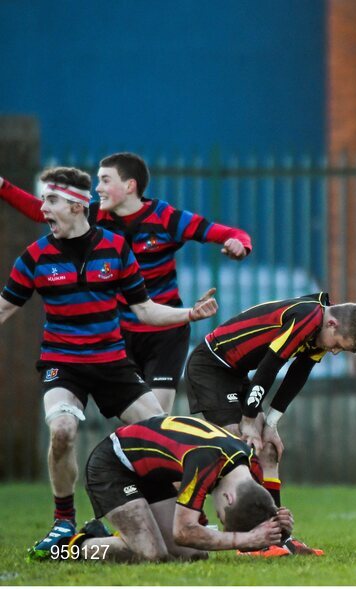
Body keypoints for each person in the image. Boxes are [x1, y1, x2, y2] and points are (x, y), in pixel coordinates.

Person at [0, 167, 219, 560]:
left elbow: (147, 311)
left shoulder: (117, 249)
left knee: (161, 432)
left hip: (112, 363)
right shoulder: (34, 257)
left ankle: (181, 519)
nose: (43, 209)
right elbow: (4, 308)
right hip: (62, 363)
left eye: (50, 201)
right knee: (63, 429)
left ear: (76, 205)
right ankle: (64, 522)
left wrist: (189, 314)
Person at [0, 152, 252, 415]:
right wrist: (3, 187)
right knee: (133, 426)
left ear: (130, 186)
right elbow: (42, 212)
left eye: (105, 181)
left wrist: (240, 245)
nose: (97, 188)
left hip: (164, 334)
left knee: (156, 421)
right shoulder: (94, 216)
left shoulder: (167, 219)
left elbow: (229, 233)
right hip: (121, 333)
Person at [184, 292, 356, 556]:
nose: (333, 351)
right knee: (236, 449)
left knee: (269, 450)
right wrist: (250, 420)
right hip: (211, 367)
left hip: (237, 374)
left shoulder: (322, 330)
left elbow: (298, 374)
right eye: (338, 345)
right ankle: (249, 541)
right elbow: (271, 365)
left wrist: (271, 422)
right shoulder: (309, 317)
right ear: (332, 324)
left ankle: (278, 537)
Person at [47, 415, 290, 562]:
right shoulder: (205, 462)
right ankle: (68, 548)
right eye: (220, 514)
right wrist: (243, 539)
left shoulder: (249, 466)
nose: (216, 515)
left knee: (194, 555)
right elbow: (184, 531)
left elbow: (257, 505)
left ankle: (120, 534)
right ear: (228, 497)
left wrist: (279, 522)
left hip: (152, 474)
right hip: (113, 466)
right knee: (152, 554)